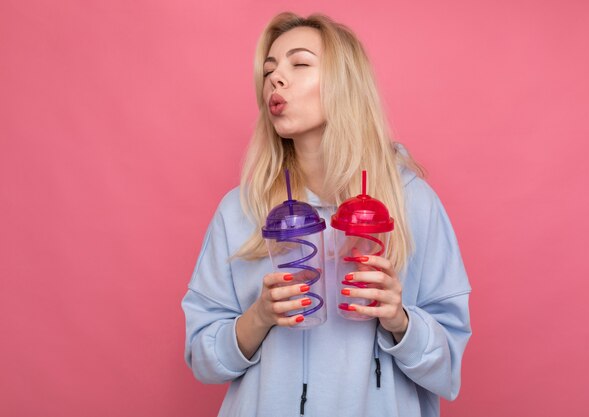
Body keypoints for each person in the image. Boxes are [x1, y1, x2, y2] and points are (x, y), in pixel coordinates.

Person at [182, 12, 471, 417]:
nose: (276, 78)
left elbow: (449, 371)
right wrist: (260, 316)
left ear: (345, 86)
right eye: (269, 70)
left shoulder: (412, 203)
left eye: (298, 64)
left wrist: (400, 320)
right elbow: (202, 358)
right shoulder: (240, 210)